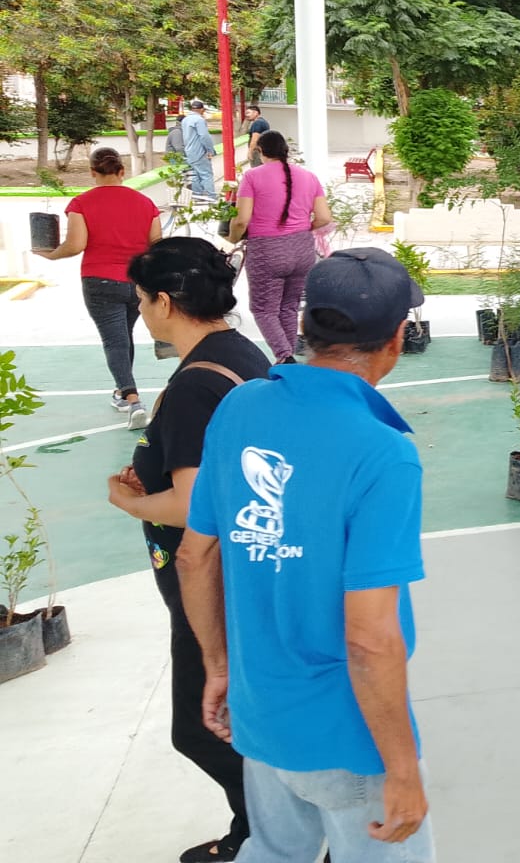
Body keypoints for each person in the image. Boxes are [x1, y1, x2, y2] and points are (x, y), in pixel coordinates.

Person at [177, 248, 434, 862]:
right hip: (343, 733)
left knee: (273, 852)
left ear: (303, 324)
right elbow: (368, 637)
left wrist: (218, 667)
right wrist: (401, 769)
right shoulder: (383, 453)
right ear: (396, 339)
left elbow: (194, 556)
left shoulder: (240, 406)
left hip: (260, 713)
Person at [106, 237, 271, 862]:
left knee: (202, 730)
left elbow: (195, 506)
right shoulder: (238, 352)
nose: (140, 311)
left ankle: (275, 832)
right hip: (248, 571)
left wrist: (132, 502)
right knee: (238, 719)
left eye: (141, 300)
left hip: (211, 585)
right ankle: (260, 829)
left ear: (166, 302)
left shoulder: (196, 385)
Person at [33, 145, 162, 428]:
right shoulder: (145, 203)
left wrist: (52, 255)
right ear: (122, 171)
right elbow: (156, 245)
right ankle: (121, 392)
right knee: (124, 336)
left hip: (99, 280)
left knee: (114, 340)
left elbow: (76, 245)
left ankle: (132, 399)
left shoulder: (81, 204)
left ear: (93, 172)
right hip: (137, 281)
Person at [229, 130, 333, 365]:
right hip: (302, 249)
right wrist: (303, 228)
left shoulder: (252, 177)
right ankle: (287, 356)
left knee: (264, 310)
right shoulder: (309, 177)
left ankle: (285, 358)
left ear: (260, 151)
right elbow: (325, 217)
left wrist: (233, 238)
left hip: (267, 250)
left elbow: (242, 220)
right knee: (289, 307)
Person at [180, 99, 219, 200]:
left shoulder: (185, 120)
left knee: (195, 174)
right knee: (206, 174)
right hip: (199, 151)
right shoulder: (199, 120)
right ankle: (211, 197)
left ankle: (197, 196)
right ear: (202, 110)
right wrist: (210, 150)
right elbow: (204, 136)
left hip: (189, 151)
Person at [243, 104, 269, 169]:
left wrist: (250, 151)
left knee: (256, 170)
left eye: (248, 113)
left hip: (257, 152)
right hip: (263, 151)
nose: (246, 115)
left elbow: (255, 138)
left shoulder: (257, 123)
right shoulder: (263, 122)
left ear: (256, 113)